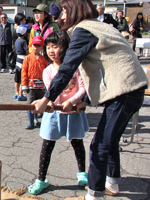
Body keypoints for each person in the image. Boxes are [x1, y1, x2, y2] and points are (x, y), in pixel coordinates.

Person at [32, 0, 148, 199]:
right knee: (110, 142)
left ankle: (94, 194)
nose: (62, 16)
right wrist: (84, 99)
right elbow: (94, 69)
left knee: (99, 145)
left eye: (65, 10)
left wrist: (46, 99)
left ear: (75, 9)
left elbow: (68, 67)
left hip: (125, 91)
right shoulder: (99, 25)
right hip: (131, 90)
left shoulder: (84, 29)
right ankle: (112, 184)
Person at [28, 31, 89, 195]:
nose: (51, 50)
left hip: (74, 113)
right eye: (48, 47)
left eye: (55, 46)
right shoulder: (47, 71)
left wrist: (72, 102)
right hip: (54, 114)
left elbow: (83, 88)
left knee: (77, 144)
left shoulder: (75, 67)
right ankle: (41, 179)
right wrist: (56, 104)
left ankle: (82, 173)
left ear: (65, 47)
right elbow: (51, 93)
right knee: (47, 146)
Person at [21, 36, 48, 129]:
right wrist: (24, 85)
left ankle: (36, 119)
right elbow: (24, 72)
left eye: (38, 46)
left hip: (41, 86)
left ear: (41, 47)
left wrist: (47, 85)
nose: (36, 47)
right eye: (34, 45)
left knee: (38, 103)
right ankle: (30, 121)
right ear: (31, 46)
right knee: (30, 104)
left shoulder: (44, 59)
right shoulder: (27, 58)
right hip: (31, 85)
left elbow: (47, 72)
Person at [14, 25, 29, 101]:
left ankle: (16, 93)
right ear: (24, 33)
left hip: (17, 60)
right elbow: (27, 50)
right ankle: (20, 95)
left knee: (17, 78)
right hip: (23, 59)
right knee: (22, 78)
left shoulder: (16, 40)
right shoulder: (23, 41)